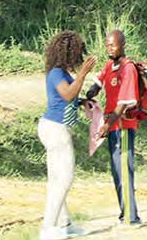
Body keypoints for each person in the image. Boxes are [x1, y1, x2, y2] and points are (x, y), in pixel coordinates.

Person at [38, 31, 97, 240]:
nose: (79, 58)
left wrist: (82, 102)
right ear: (68, 53)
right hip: (55, 130)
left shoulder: (60, 72)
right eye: (77, 53)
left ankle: (65, 223)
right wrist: (83, 74)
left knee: (57, 179)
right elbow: (67, 94)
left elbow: (68, 98)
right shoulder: (56, 73)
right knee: (65, 179)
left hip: (55, 127)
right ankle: (48, 228)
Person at [92, 30, 142, 228]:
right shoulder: (109, 66)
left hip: (122, 127)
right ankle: (125, 213)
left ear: (123, 45)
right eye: (107, 45)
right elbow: (98, 83)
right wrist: (90, 94)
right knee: (116, 171)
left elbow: (122, 105)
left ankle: (131, 217)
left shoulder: (127, 68)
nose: (109, 48)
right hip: (112, 126)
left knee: (124, 171)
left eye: (113, 45)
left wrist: (106, 124)